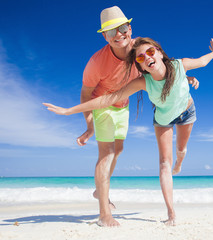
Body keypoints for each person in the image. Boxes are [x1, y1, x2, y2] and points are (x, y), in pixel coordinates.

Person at [44, 37, 213, 226]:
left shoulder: (180, 65)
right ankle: (171, 213)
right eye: (140, 58)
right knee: (163, 164)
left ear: (160, 53)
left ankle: (179, 163)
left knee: (181, 150)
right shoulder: (143, 82)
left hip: (186, 112)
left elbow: (203, 61)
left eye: (151, 52)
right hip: (163, 121)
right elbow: (108, 99)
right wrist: (70, 110)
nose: (147, 58)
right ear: (140, 66)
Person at [77, 6, 140, 227]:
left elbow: (161, 65)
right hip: (102, 104)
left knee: (118, 150)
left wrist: (185, 78)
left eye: (122, 28)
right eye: (111, 31)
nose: (118, 34)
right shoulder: (97, 62)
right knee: (107, 153)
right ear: (105, 36)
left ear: (130, 28)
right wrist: (89, 125)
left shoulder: (141, 48)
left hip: (123, 105)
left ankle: (99, 190)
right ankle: (104, 213)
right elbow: (86, 94)